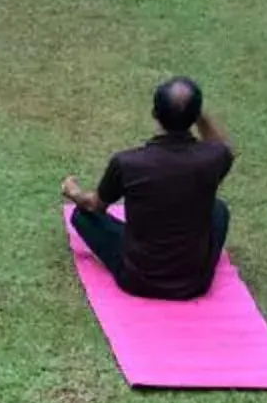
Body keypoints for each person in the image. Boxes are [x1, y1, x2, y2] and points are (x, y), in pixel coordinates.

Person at [63, 76, 234, 300]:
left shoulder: (128, 163)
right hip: (194, 282)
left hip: (138, 279)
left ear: (155, 113)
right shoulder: (214, 157)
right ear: (195, 116)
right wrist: (196, 112)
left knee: (83, 216)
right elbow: (223, 147)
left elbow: (95, 206)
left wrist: (74, 193)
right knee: (218, 210)